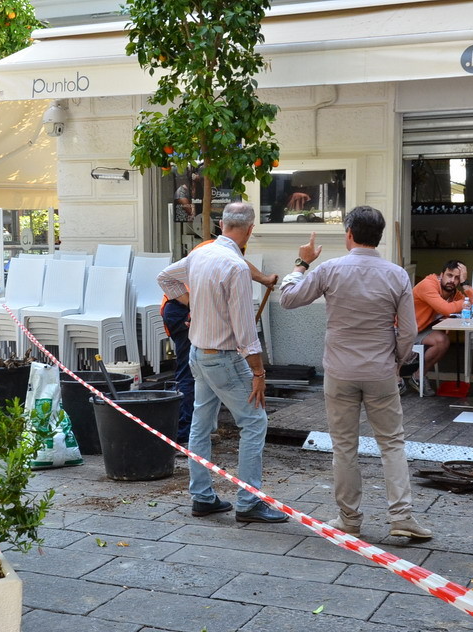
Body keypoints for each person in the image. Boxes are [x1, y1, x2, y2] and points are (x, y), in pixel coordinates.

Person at [280, 206, 432, 539]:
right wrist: (397, 361)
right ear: (379, 236)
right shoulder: (396, 275)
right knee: (392, 443)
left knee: (344, 446)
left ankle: (349, 518)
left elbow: (288, 299)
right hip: (380, 370)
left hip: (340, 370)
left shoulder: (330, 269)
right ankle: (401, 516)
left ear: (349, 234)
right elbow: (408, 330)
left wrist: (302, 263)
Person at [157, 202, 287, 523]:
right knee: (254, 422)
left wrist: (193, 304)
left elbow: (165, 278)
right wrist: (259, 372)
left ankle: (202, 497)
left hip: (199, 354)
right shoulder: (236, 267)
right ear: (250, 230)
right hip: (222, 358)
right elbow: (245, 332)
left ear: (221, 224)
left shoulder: (201, 253)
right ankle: (248, 501)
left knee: (201, 425)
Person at [161, 242, 277, 448]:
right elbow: (241, 265)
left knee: (198, 388)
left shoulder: (217, 249)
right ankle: (183, 431)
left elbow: (241, 264)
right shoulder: (215, 249)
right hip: (180, 308)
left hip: (185, 309)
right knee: (188, 373)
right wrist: (265, 279)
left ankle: (193, 432)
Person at [409, 260, 473, 394]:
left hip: (420, 330)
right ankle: (397, 378)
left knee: (442, 341)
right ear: (441, 275)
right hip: (402, 331)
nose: (452, 280)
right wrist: (465, 304)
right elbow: (446, 309)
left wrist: (466, 285)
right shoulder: (428, 285)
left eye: (457, 278)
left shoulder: (453, 293)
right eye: (449, 275)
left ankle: (418, 376)